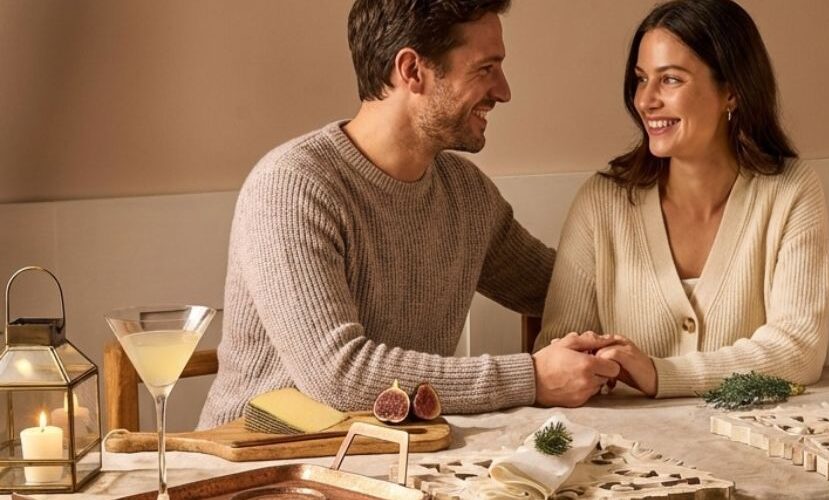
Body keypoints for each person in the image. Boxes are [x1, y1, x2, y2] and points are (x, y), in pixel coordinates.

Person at [199, 0, 622, 428]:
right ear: (412, 70)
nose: (503, 91)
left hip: (393, 454)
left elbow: (562, 288)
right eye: (485, 69)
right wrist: (531, 378)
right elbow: (340, 376)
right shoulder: (292, 186)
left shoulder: (467, 193)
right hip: (258, 458)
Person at [535, 0, 829, 399]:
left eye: (670, 79)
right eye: (641, 79)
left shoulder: (791, 191)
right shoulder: (601, 203)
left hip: (754, 437)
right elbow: (559, 354)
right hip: (625, 439)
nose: (646, 100)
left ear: (732, 91)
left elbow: (799, 350)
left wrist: (663, 374)